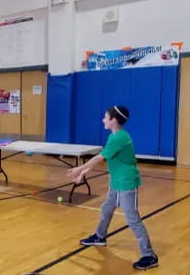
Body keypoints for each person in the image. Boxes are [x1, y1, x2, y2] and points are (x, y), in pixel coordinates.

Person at [67, 106, 159, 270]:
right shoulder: (115, 136)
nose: (103, 120)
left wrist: (78, 169)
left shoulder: (119, 138)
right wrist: (84, 172)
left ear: (113, 120)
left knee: (132, 219)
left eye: (105, 117)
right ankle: (100, 236)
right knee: (106, 209)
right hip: (116, 182)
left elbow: (98, 158)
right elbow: (104, 157)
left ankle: (149, 255)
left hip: (126, 183)